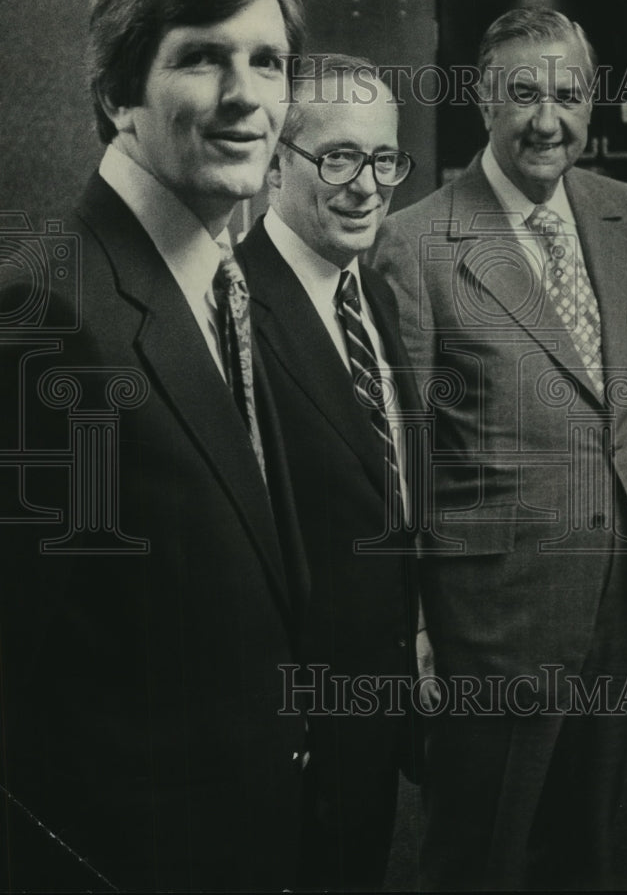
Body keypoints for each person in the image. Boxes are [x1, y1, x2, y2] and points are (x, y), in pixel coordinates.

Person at [367, 7, 627, 890]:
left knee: (586, 843)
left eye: (568, 95)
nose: (546, 119)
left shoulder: (624, 212)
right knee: (480, 852)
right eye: (523, 93)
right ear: (484, 96)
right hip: (494, 616)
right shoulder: (415, 245)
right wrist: (411, 624)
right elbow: (397, 455)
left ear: (593, 101)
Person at [0, 0, 307, 892]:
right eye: (202, 58)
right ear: (116, 92)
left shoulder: (226, 279)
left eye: (268, 60)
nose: (247, 97)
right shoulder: (45, 309)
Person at [238, 54, 425, 892]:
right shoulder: (230, 308)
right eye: (339, 157)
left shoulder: (370, 293)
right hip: (290, 733)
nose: (368, 186)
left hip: (376, 707)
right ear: (277, 160)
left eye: (385, 159)